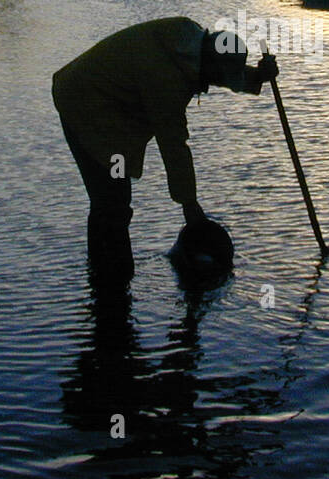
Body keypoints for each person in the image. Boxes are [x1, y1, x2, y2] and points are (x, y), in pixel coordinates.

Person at [52, 17, 278, 286]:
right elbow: (173, 145)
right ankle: (112, 280)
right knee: (113, 200)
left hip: (112, 111)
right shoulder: (166, 75)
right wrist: (189, 204)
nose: (211, 85)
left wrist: (256, 77)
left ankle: (104, 275)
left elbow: (215, 71)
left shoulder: (190, 43)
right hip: (87, 110)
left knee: (112, 202)